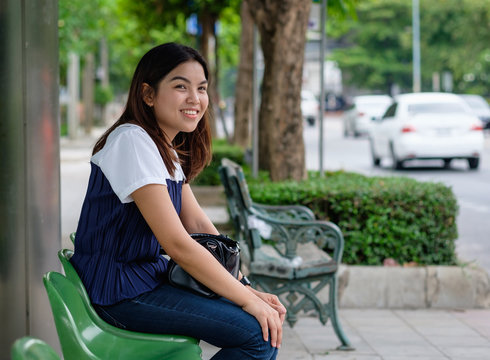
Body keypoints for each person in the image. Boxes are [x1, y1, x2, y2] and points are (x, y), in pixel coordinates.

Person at [70, 42, 286, 360]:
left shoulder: (163, 148)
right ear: (148, 94)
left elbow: (200, 226)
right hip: (119, 292)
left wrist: (247, 287)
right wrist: (245, 300)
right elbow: (178, 243)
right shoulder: (132, 141)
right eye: (180, 86)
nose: (194, 99)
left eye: (201, 88)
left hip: (143, 281)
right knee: (258, 336)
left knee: (261, 327)